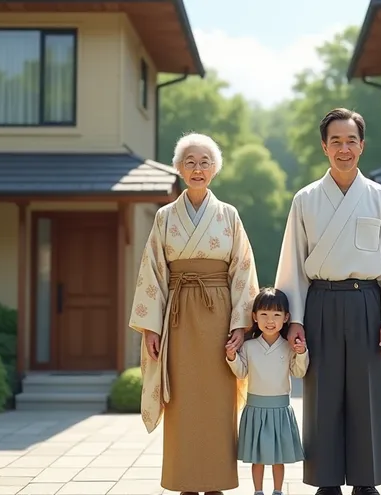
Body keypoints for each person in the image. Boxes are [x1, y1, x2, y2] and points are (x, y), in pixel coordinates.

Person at [274, 108, 381, 495]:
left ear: (362, 145)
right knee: (321, 394)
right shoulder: (305, 199)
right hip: (320, 300)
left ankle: (366, 480)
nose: (344, 148)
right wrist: (296, 321)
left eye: (351, 140)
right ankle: (325, 481)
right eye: (335, 141)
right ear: (324, 146)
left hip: (367, 303)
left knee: (367, 395)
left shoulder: (380, 198)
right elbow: (292, 261)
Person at [129, 132, 259, 495]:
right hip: (178, 317)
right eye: (190, 162)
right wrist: (150, 329)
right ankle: (184, 480)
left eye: (204, 162)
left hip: (219, 314)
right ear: (179, 169)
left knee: (218, 402)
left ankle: (216, 482)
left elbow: (243, 270)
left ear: (214, 169)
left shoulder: (229, 215)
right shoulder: (164, 217)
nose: (198, 168)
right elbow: (152, 271)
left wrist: (240, 325)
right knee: (182, 401)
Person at [225, 287, 308, 495]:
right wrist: (232, 357)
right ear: (254, 316)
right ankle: (258, 491)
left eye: (276, 315)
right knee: (258, 456)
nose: (270, 320)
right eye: (263, 314)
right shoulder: (248, 346)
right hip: (255, 409)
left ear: (286, 318)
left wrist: (302, 353)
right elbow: (242, 373)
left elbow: (299, 372)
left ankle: (278, 491)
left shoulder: (289, 347)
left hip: (280, 409)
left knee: (278, 457)